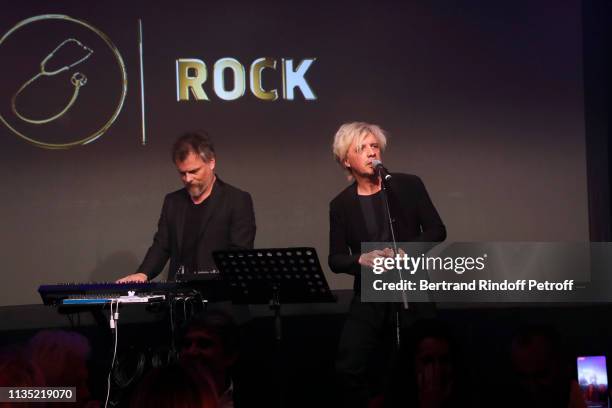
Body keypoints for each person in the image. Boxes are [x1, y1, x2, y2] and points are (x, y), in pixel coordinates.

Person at [328, 122, 446, 407]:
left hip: (411, 286)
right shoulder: (341, 204)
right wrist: (360, 259)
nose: (371, 153)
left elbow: (436, 230)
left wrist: (405, 250)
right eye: (362, 148)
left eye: (374, 146)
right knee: (349, 364)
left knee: (427, 360)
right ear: (346, 160)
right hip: (370, 289)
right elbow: (335, 259)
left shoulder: (407, 185)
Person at [118, 132, 256, 282]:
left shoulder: (237, 200)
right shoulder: (173, 202)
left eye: (194, 171)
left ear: (211, 162)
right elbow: (162, 245)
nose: (188, 179)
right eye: (182, 173)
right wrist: (143, 273)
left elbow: (240, 253)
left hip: (221, 298)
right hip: (180, 299)